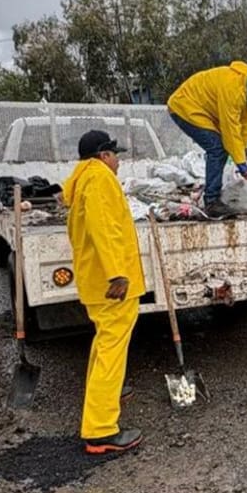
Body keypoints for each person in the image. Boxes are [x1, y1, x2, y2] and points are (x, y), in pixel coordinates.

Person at [63, 129, 145, 456]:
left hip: (97, 283)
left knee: (105, 346)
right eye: (115, 154)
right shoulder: (99, 180)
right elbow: (103, 228)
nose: (119, 161)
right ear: (103, 155)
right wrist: (117, 274)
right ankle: (100, 430)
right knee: (111, 349)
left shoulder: (83, 179)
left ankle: (107, 398)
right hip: (110, 284)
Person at [167, 60, 247, 218]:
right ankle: (212, 201)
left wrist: (245, 154)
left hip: (203, 111)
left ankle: (213, 195)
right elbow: (230, 131)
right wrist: (241, 165)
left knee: (223, 148)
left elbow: (245, 128)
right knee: (218, 148)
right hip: (184, 106)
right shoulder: (232, 89)